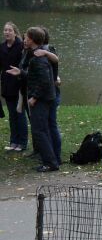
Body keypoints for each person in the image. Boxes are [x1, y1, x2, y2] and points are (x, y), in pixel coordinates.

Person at [6, 27, 59, 172]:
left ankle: (50, 163)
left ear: (31, 39)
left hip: (41, 100)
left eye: (26, 38)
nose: (24, 40)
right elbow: (34, 76)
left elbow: (45, 81)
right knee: (42, 130)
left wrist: (34, 97)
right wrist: (21, 72)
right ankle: (50, 160)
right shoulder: (35, 54)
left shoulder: (38, 57)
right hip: (43, 98)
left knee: (40, 131)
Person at [34, 27, 61, 164]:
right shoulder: (36, 52)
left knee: (51, 124)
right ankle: (48, 154)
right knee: (46, 125)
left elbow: (56, 61)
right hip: (48, 92)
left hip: (50, 94)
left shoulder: (47, 50)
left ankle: (55, 156)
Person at [0, 22, 27, 151]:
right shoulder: (2, 47)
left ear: (15, 32)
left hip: (19, 83)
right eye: (5, 30)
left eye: (9, 30)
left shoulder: (21, 46)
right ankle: (13, 141)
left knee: (19, 112)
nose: (7, 32)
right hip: (6, 84)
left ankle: (22, 142)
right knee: (11, 113)